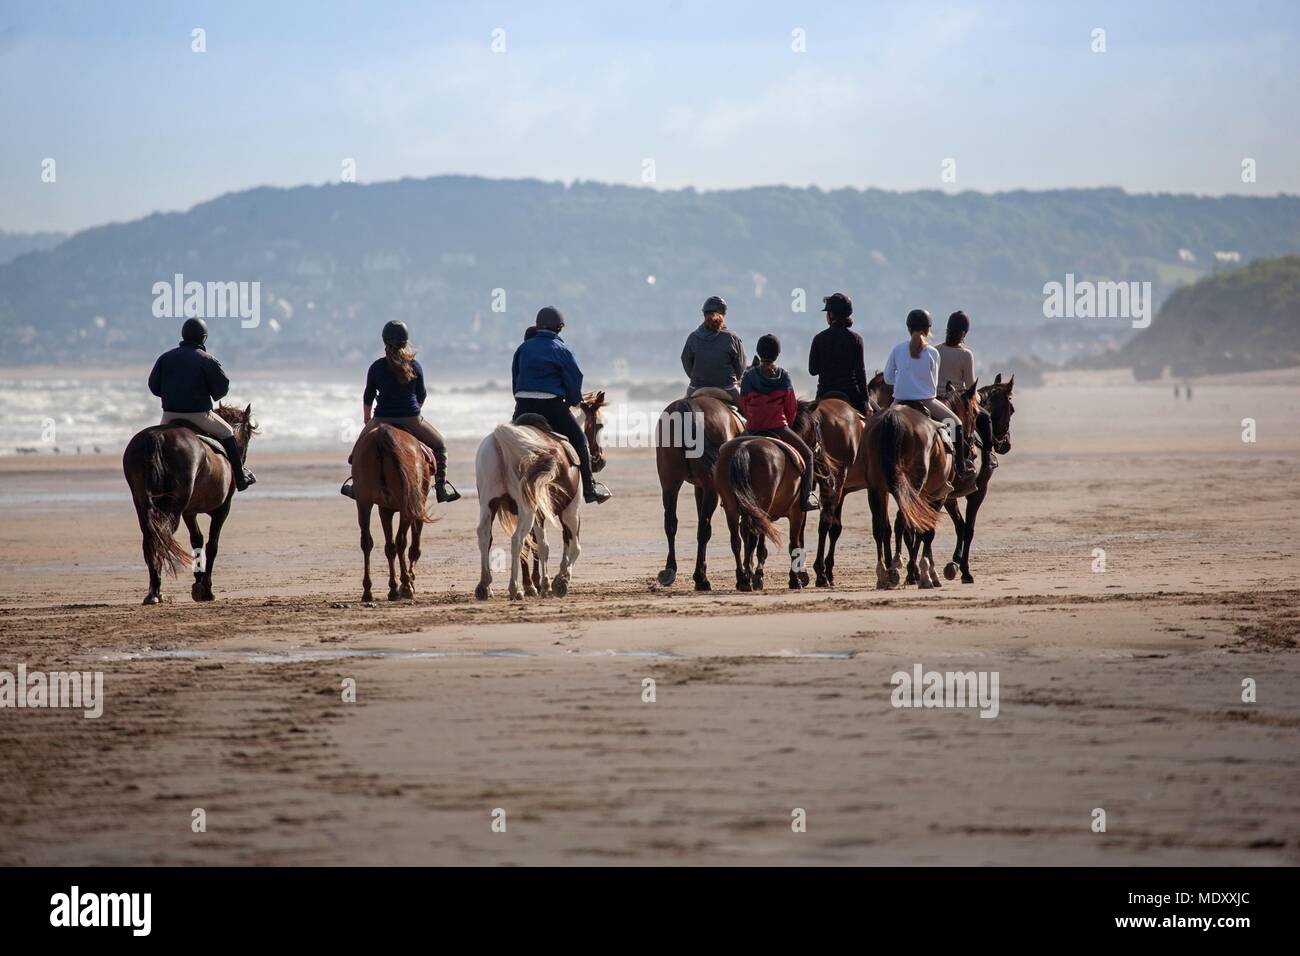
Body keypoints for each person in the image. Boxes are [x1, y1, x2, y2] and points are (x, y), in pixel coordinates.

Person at [340, 321, 459, 502]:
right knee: (440, 446)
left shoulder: (376, 367)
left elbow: (368, 396)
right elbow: (422, 395)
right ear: (405, 342)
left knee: (356, 452)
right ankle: (441, 487)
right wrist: (414, 413)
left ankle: (357, 486)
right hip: (411, 418)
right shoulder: (415, 366)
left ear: (384, 341)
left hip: (381, 419)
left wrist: (367, 419)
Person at [511, 306, 611, 504]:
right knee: (580, 440)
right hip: (551, 407)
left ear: (537, 326)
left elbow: (515, 379)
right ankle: (590, 489)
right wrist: (574, 400)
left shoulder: (522, 348)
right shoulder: (563, 350)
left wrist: (522, 398)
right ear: (560, 328)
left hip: (522, 406)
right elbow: (574, 379)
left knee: (508, 441)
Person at [148, 317, 256, 491]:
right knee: (228, 432)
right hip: (199, 415)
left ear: (183, 335)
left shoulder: (165, 358)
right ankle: (240, 477)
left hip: (169, 415)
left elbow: (153, 387)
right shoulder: (208, 360)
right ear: (203, 338)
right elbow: (221, 391)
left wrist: (172, 394)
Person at [882, 309, 974, 482]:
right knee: (957, 424)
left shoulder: (897, 349)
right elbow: (933, 382)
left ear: (908, 328)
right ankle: (960, 466)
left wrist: (903, 381)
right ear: (928, 329)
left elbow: (887, 378)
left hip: (899, 401)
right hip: (926, 401)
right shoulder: (933, 353)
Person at [739, 334, 818, 512]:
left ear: (759, 352)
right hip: (779, 428)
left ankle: (728, 495)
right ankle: (806, 498)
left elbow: (743, 404)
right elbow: (791, 408)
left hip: (752, 429)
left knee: (725, 453)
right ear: (777, 354)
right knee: (808, 455)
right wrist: (786, 425)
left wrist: (752, 420)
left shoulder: (749, 376)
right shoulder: (783, 376)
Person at [935, 309, 997, 472]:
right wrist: (978, 398)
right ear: (964, 333)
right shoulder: (965, 355)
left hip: (934, 400)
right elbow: (970, 386)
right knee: (985, 418)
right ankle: (988, 457)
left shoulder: (935, 350)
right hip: (957, 403)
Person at [808, 291, 868, 412]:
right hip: (851, 396)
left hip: (824, 395)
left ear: (830, 315)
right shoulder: (856, 339)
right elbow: (860, 373)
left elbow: (813, 371)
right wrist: (866, 401)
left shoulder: (819, 338)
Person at [682, 295, 746, 401]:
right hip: (727, 388)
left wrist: (696, 377)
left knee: (682, 410)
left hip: (697, 388)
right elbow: (741, 366)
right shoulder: (732, 338)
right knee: (747, 411)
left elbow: (686, 361)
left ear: (704, 314)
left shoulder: (693, 337)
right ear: (723, 315)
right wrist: (735, 379)